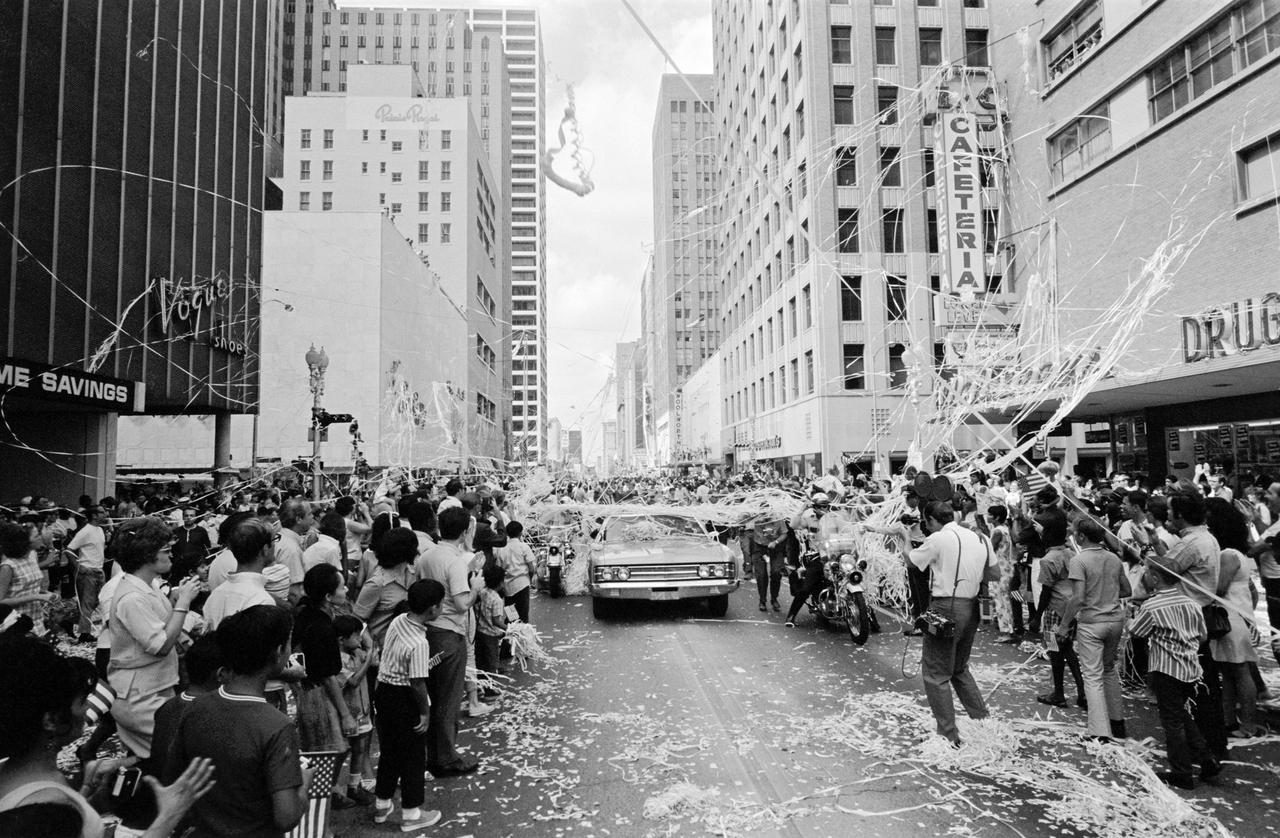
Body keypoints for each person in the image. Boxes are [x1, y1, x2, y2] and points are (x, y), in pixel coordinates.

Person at [0, 634, 216, 838]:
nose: (87, 710)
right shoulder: (48, 803)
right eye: (82, 701)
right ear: (51, 721)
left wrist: (89, 799)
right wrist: (168, 815)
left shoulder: (14, 773)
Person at [167, 605, 312, 837]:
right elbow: (286, 816)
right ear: (278, 652)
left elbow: (173, 779)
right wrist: (304, 784)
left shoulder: (195, 708)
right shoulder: (276, 726)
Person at [108, 517, 203, 761]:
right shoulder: (132, 597)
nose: (172, 555)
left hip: (156, 688)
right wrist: (183, 603)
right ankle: (107, 774)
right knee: (173, 757)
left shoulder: (149, 586)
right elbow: (160, 645)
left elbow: (167, 626)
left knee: (163, 759)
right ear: (146, 554)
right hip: (140, 696)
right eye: (166, 550)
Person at [904, 501, 996, 746]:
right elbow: (995, 573)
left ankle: (948, 734)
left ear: (932, 520)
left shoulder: (938, 538)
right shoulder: (980, 537)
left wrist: (902, 536)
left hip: (947, 605)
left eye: (925, 522)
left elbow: (912, 562)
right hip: (973, 605)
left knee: (936, 672)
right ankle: (983, 720)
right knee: (959, 667)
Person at [1148, 491, 1229, 761]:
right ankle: (1209, 743)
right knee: (1203, 681)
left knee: (1184, 684)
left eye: (1170, 510)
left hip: (1188, 616)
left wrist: (1145, 549)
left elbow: (1164, 572)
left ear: (1180, 515)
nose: (1167, 515)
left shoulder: (1192, 542)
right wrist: (1156, 544)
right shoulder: (1205, 538)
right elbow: (1174, 565)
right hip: (1200, 613)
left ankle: (1199, 749)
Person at [1130, 562, 1222, 789]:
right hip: (1191, 668)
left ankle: (1182, 771)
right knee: (1182, 714)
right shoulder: (1192, 603)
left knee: (1172, 721)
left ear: (1154, 578)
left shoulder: (1152, 606)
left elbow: (1137, 632)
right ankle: (1206, 758)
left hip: (1166, 669)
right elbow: (1202, 636)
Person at [413, 506, 486, 776]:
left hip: (428, 631)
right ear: (465, 530)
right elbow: (461, 602)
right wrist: (476, 589)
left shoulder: (428, 556)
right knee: (448, 699)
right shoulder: (454, 562)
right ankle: (445, 758)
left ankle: (434, 754)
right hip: (449, 634)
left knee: (433, 697)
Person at [373, 579, 447, 831]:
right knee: (414, 756)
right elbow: (417, 683)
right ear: (432, 610)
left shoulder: (398, 620)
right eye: (441, 604)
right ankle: (412, 814)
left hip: (383, 692)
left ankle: (382, 804)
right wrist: (425, 713)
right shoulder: (420, 643)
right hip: (404, 698)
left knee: (390, 751)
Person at [1056, 518, 1131, 740]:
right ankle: (1117, 724)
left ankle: (1098, 731)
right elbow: (1126, 590)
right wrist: (1106, 594)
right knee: (1109, 670)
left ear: (1081, 537)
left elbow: (1078, 598)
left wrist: (1063, 625)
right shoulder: (1114, 558)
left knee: (1092, 676)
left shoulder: (1079, 561)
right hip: (1115, 620)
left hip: (1092, 622)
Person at [292, 564, 358, 811]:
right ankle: (320, 808)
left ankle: (328, 795)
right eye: (342, 586)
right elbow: (329, 676)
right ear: (329, 596)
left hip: (306, 692)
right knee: (329, 752)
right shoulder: (322, 627)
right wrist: (345, 715)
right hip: (319, 695)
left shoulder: (306, 615)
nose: (346, 588)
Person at [1205, 498, 1262, 738]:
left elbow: (1218, 588)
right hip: (1237, 615)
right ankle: (1230, 721)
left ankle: (1247, 723)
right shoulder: (1235, 552)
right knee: (1228, 672)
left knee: (1238, 671)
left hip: (1231, 617)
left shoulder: (1228, 555)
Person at [1034, 513, 1086, 709]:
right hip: (1071, 609)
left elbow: (1046, 592)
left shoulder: (1047, 560)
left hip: (1054, 611)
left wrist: (1036, 617)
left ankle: (1058, 693)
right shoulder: (1071, 554)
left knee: (1055, 652)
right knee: (1069, 651)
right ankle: (1082, 693)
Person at [203, 517, 276, 630]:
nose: (276, 544)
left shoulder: (216, 595)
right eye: (274, 540)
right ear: (265, 549)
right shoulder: (261, 601)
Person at [334, 614, 376, 806]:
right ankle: (333, 789)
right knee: (342, 750)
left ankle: (354, 785)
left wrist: (368, 651)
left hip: (362, 709)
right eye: (356, 636)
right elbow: (353, 680)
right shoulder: (337, 660)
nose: (360, 639)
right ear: (342, 639)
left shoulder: (357, 653)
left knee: (360, 747)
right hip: (347, 713)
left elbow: (374, 661)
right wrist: (368, 658)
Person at [353, 527, 419, 649]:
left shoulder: (412, 574)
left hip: (406, 646)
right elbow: (357, 618)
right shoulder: (377, 583)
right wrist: (370, 646)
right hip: (383, 650)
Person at [0, 520, 58, 636]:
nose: (40, 537)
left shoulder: (31, 558)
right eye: (36, 535)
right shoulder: (8, 566)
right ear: (24, 541)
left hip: (37, 618)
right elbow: (1, 601)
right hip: (17, 623)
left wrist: (46, 593)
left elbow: (26, 587)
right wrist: (37, 596)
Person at [67, 506, 108, 643]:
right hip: (88, 572)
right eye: (102, 512)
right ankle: (84, 634)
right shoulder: (85, 531)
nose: (105, 514)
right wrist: (79, 566)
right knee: (87, 603)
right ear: (94, 515)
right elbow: (69, 550)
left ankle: (81, 627)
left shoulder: (100, 529)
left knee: (96, 601)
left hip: (98, 569)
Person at [496, 520, 537, 626]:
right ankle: (523, 637)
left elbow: (499, 569)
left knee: (512, 616)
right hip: (522, 585)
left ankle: (511, 637)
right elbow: (531, 568)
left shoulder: (502, 549)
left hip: (508, 588)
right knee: (523, 616)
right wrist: (530, 579)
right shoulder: (524, 547)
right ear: (520, 533)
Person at [274, 499, 313, 605]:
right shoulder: (291, 549)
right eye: (309, 514)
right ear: (298, 519)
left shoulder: (281, 538)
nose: (312, 517)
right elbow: (294, 592)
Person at [473, 564, 507, 685]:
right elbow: (496, 621)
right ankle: (490, 688)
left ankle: (481, 681)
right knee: (491, 659)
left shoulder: (482, 592)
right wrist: (508, 628)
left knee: (481, 658)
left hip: (480, 630)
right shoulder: (497, 600)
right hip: (491, 634)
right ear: (500, 583)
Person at [750, 515, 786, 613]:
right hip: (760, 548)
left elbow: (784, 533)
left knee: (776, 572)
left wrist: (776, 541)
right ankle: (762, 600)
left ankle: (774, 598)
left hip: (776, 547)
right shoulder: (757, 519)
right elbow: (761, 537)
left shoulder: (779, 518)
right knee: (761, 575)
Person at [170, 507, 213, 583]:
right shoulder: (176, 531)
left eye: (191, 515)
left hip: (196, 568)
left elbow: (207, 548)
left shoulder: (201, 531)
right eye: (186, 515)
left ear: (195, 517)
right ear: (183, 517)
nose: (189, 518)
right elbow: (172, 549)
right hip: (179, 568)